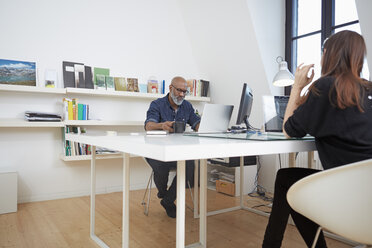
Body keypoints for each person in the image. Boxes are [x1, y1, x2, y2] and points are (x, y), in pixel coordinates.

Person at [262, 30, 372, 247]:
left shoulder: (327, 86)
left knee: (287, 179)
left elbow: (288, 129)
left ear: (329, 54)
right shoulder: (367, 90)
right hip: (367, 197)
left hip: (347, 198)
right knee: (295, 181)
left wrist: (297, 86)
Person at [144, 76, 200, 218]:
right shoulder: (157, 104)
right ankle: (164, 194)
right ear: (170, 88)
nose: (181, 94)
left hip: (178, 152)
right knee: (161, 165)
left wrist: (205, 126)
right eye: (179, 90)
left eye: (184, 92)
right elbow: (148, 126)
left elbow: (196, 123)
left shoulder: (187, 106)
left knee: (189, 166)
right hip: (156, 150)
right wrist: (161, 125)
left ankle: (167, 200)